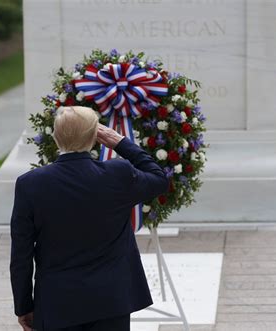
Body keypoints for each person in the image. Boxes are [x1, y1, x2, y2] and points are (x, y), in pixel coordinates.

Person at [9, 106, 170, 331]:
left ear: (55, 137)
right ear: (95, 138)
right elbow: (159, 178)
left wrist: (24, 306)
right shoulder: (118, 174)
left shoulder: (30, 184)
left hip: (58, 302)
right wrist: (120, 142)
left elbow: (21, 254)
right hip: (111, 300)